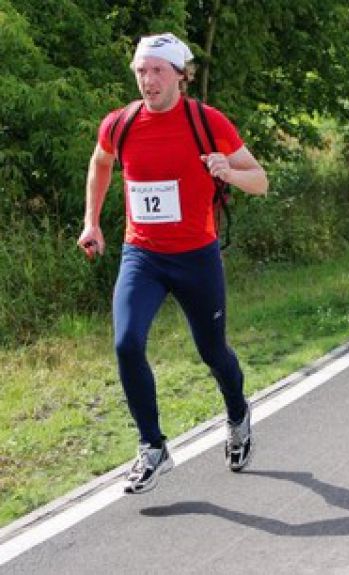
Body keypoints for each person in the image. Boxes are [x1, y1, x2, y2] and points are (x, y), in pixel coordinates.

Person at [77, 33, 269, 494]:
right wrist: (93, 222)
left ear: (180, 76)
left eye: (157, 71)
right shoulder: (120, 124)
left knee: (212, 351)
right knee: (126, 343)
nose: (148, 80)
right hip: (141, 255)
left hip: (196, 257)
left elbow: (260, 181)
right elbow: (101, 163)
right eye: (141, 71)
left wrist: (228, 171)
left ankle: (238, 412)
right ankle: (153, 446)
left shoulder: (207, 123)